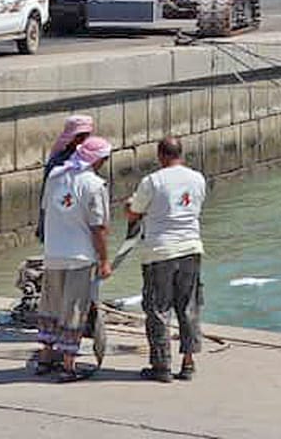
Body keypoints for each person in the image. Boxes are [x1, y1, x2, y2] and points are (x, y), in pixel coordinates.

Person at [126, 136, 207, 382]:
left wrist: (129, 207)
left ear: (160, 155)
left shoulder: (152, 181)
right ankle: (188, 363)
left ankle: (161, 366)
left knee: (158, 308)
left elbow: (134, 212)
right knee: (188, 306)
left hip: (160, 251)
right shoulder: (198, 179)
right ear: (181, 153)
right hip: (191, 248)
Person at [35, 135, 113, 380]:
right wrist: (104, 260)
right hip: (80, 256)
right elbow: (99, 228)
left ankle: (46, 357)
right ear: (97, 160)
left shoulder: (54, 177)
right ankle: (68, 365)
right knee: (74, 310)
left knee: (50, 306)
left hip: (53, 254)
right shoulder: (95, 185)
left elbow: (46, 210)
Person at [37, 115, 95, 242]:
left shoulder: (88, 158)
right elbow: (48, 196)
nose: (83, 141)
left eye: (86, 136)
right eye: (80, 136)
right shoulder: (57, 162)